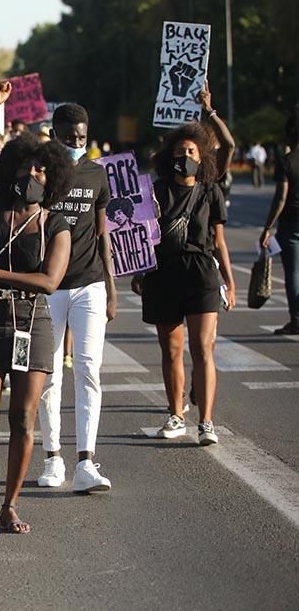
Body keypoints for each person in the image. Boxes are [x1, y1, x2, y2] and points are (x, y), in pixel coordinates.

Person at [0, 80, 74, 533]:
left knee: (23, 417)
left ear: (54, 177)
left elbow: (48, 281)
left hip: (31, 324)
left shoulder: (56, 223)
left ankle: (10, 503)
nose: (34, 175)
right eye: (27, 167)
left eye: (43, 170)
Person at [135, 122, 235, 445]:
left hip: (202, 273)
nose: (186, 156)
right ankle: (176, 413)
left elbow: (219, 242)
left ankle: (206, 422)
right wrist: (139, 270)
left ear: (202, 156)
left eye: (191, 151)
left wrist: (229, 283)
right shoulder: (156, 191)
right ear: (169, 157)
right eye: (180, 151)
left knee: (202, 347)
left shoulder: (210, 191)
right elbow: (144, 236)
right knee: (171, 349)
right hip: (164, 274)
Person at [36, 103, 116, 494]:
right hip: (49, 287)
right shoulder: (42, 172)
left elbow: (103, 235)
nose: (77, 144)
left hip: (90, 285)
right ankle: (53, 457)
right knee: (48, 374)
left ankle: (86, 460)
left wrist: (111, 289)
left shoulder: (97, 174)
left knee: (88, 370)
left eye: (82, 138)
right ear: (55, 135)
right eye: (70, 138)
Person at [260, 107, 299, 334]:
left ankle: (296, 320)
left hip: (291, 223)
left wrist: (268, 227)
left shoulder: (286, 162)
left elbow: (281, 196)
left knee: (293, 273)